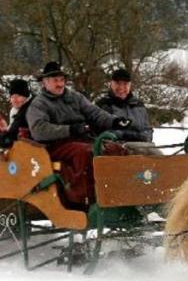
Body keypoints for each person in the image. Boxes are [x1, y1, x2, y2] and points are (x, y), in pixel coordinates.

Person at [25, 61, 126, 208]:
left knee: (114, 149)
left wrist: (115, 121)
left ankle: (116, 194)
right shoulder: (38, 104)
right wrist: (70, 129)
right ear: (44, 83)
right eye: (55, 81)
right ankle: (82, 200)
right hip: (56, 145)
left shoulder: (75, 97)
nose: (60, 84)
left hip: (82, 139)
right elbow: (39, 130)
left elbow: (95, 113)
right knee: (85, 153)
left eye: (61, 80)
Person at [95, 67, 161, 155]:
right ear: (111, 84)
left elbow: (147, 129)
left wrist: (144, 136)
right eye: (118, 84)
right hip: (116, 147)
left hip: (142, 145)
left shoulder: (139, 105)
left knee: (158, 156)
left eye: (125, 84)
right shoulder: (103, 105)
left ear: (130, 85)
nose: (121, 88)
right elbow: (102, 133)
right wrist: (127, 135)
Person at [5, 77, 33, 141]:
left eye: (18, 96)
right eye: (12, 97)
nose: (15, 100)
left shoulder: (30, 108)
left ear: (26, 96)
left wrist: (4, 139)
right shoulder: (14, 110)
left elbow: (12, 132)